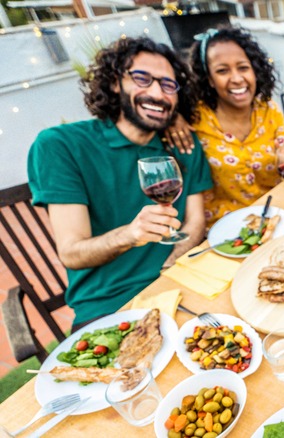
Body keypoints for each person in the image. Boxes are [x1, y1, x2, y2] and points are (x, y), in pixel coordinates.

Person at [27, 37, 212, 330]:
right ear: (115, 83)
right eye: (142, 78)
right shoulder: (61, 145)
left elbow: (195, 221)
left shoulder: (184, 146)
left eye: (168, 85)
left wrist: (170, 265)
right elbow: (72, 252)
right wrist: (131, 234)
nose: (157, 93)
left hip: (181, 283)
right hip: (110, 307)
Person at [169, 26, 284, 227]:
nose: (237, 78)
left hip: (275, 219)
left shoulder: (269, 110)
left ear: (254, 71)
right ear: (210, 80)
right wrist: (172, 119)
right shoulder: (193, 118)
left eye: (243, 67)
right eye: (222, 71)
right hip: (223, 232)